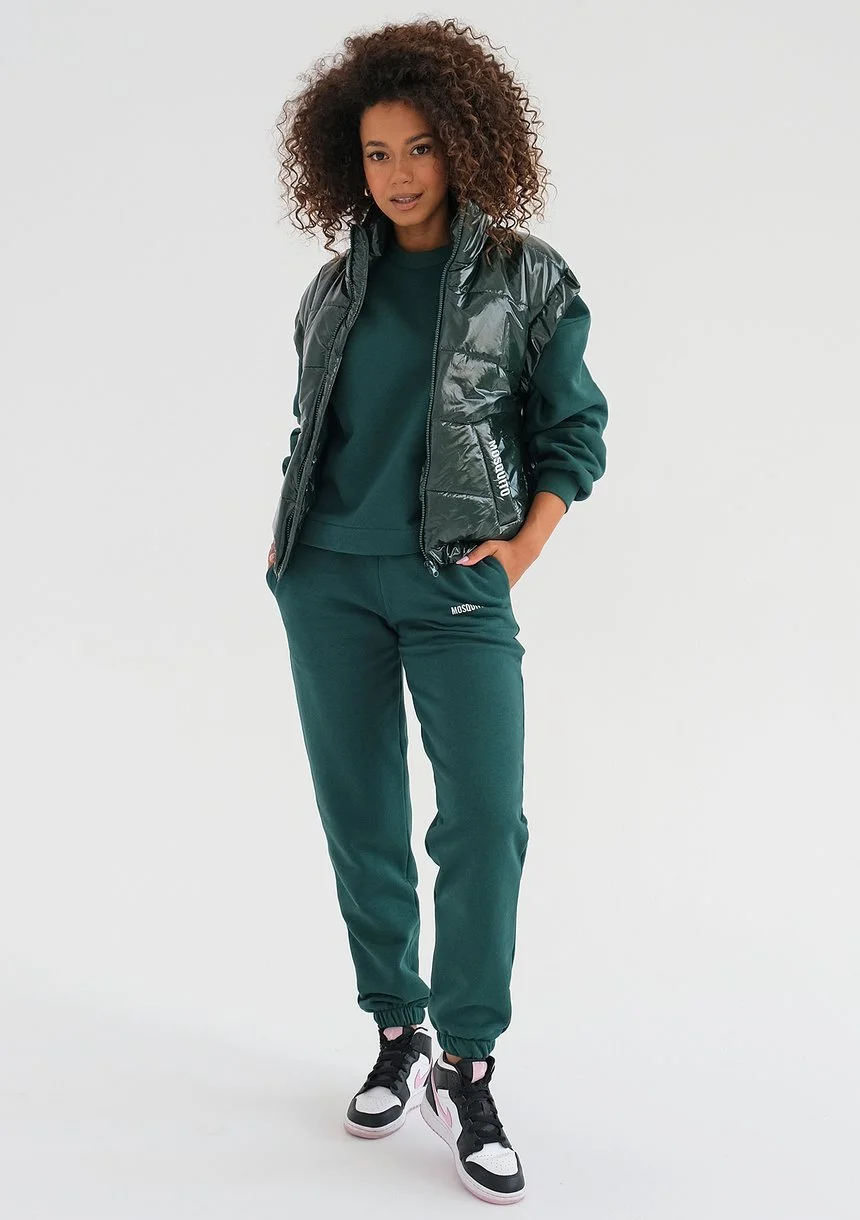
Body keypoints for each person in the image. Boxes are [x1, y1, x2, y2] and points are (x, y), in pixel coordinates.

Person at [266, 18, 608, 1206]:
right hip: (327, 579)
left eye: (418, 147)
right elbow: (315, 428)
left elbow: (573, 433)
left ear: (463, 144)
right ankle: (395, 1028)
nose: (398, 173)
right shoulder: (332, 286)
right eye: (375, 152)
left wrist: (517, 551)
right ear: (346, 160)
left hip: (456, 583)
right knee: (360, 814)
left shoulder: (527, 276)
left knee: (481, 825)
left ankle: (466, 1062)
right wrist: (288, 542)